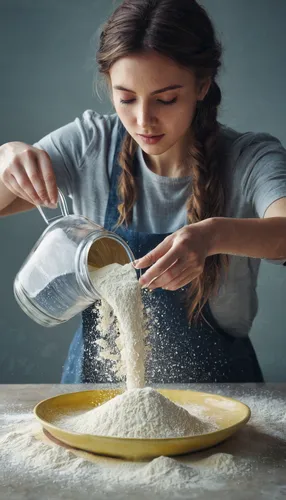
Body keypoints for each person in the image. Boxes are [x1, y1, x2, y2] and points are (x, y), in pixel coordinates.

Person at [1, 0, 286, 384]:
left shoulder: (250, 158)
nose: (143, 120)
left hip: (222, 399)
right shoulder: (91, 144)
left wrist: (213, 235)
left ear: (202, 85)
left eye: (166, 99)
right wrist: (5, 160)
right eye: (126, 98)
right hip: (96, 400)